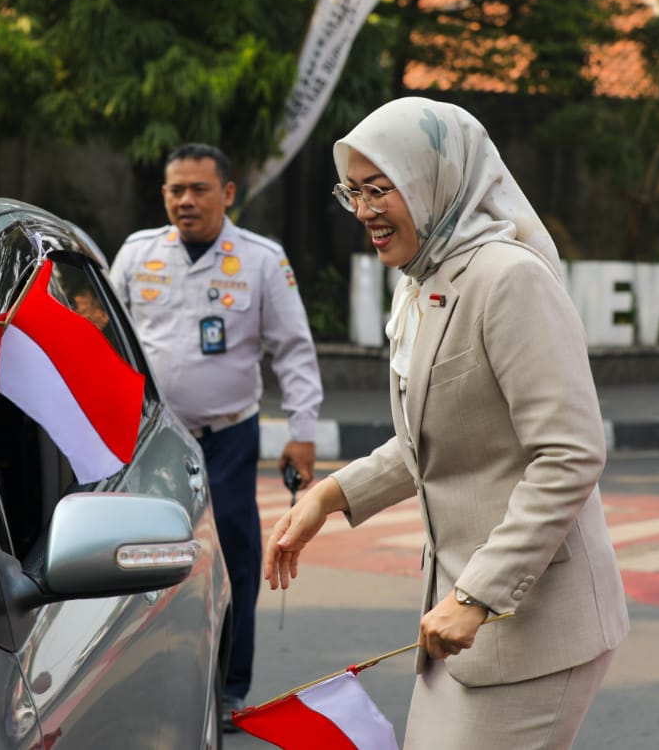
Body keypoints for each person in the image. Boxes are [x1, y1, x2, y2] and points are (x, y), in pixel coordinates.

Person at [264, 97, 628, 749]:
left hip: (530, 625)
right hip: (460, 624)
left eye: (382, 189)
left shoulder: (507, 278)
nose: (365, 210)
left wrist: (477, 595)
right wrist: (330, 495)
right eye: (354, 191)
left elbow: (570, 453)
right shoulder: (425, 277)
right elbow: (435, 436)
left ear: (436, 180)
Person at [108, 142, 323, 729]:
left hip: (229, 436)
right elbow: (106, 338)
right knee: (137, 556)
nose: (186, 200)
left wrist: (302, 434)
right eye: (176, 189)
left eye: (199, 189)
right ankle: (144, 677)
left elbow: (294, 350)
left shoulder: (260, 260)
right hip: (151, 436)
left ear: (227, 194)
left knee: (233, 557)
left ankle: (230, 688)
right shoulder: (137, 254)